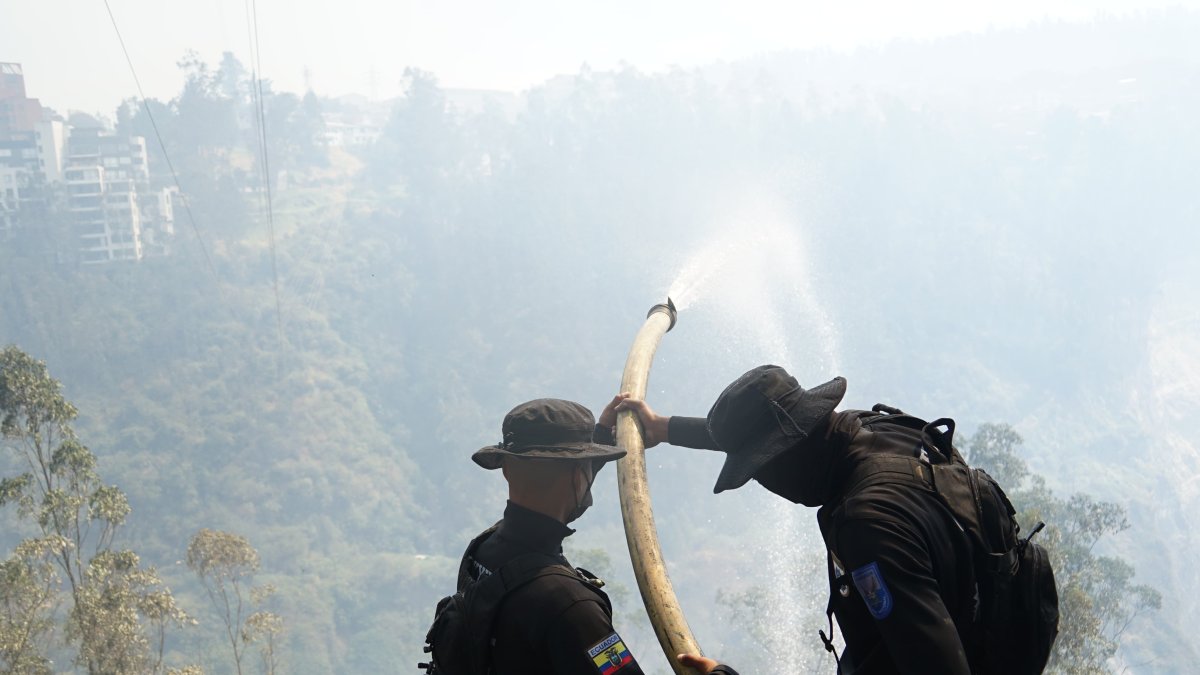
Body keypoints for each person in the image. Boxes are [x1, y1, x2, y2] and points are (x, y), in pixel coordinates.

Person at [618, 365, 978, 674]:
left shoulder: (869, 526)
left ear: (784, 455)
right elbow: (772, 434)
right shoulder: (875, 429)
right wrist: (664, 428)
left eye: (758, 472)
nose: (767, 486)